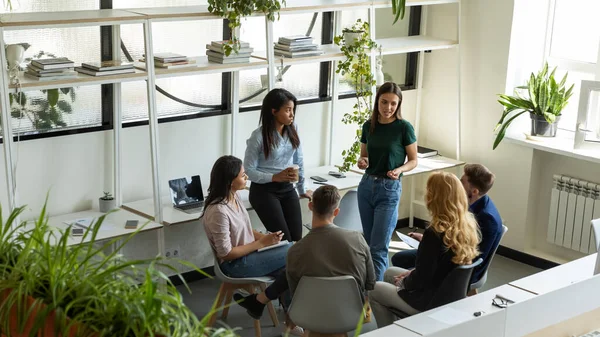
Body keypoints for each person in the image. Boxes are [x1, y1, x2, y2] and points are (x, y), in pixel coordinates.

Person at [201, 155, 302, 336]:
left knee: (291, 267)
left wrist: (265, 238)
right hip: (235, 265)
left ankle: (269, 308)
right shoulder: (218, 211)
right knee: (294, 252)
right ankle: (278, 312)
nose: (246, 177)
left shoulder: (235, 196)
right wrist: (260, 243)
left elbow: (245, 229)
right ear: (229, 181)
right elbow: (226, 253)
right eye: (242, 175)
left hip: (249, 256)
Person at [369, 172, 481, 327]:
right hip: (449, 296)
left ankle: (388, 332)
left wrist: (405, 282)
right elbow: (436, 269)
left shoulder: (434, 233)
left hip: (429, 302)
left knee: (375, 290)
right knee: (389, 273)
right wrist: (411, 274)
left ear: (434, 197)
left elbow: (422, 278)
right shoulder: (467, 226)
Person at [390, 164, 503, 294]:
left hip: (457, 272)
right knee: (401, 258)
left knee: (400, 265)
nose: (458, 186)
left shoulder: (486, 219)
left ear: (475, 191)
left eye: (462, 182)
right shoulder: (473, 205)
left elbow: (471, 258)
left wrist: (414, 273)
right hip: (450, 256)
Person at [357, 81, 418, 281]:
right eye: (384, 102)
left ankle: (376, 295)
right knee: (368, 243)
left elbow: (413, 160)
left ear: (398, 105)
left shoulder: (404, 128)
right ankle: (368, 287)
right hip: (366, 186)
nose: (388, 108)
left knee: (379, 247)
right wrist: (363, 161)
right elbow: (364, 156)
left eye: (393, 104)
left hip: (389, 189)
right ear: (377, 102)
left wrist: (399, 169)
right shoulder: (369, 126)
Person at [244, 88, 312, 243]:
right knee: (283, 240)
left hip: (287, 188)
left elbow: (299, 160)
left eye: (293, 110)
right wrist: (274, 177)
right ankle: (281, 266)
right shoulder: (258, 136)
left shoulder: (294, 130)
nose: (292, 114)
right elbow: (248, 170)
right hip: (263, 191)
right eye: (288, 110)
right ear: (274, 111)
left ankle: (294, 268)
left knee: (297, 239)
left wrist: (302, 188)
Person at [286, 185, 376, 299]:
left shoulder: (294, 251)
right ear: (336, 212)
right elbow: (370, 283)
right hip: (354, 312)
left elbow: (295, 295)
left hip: (310, 314)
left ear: (310, 206)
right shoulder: (357, 239)